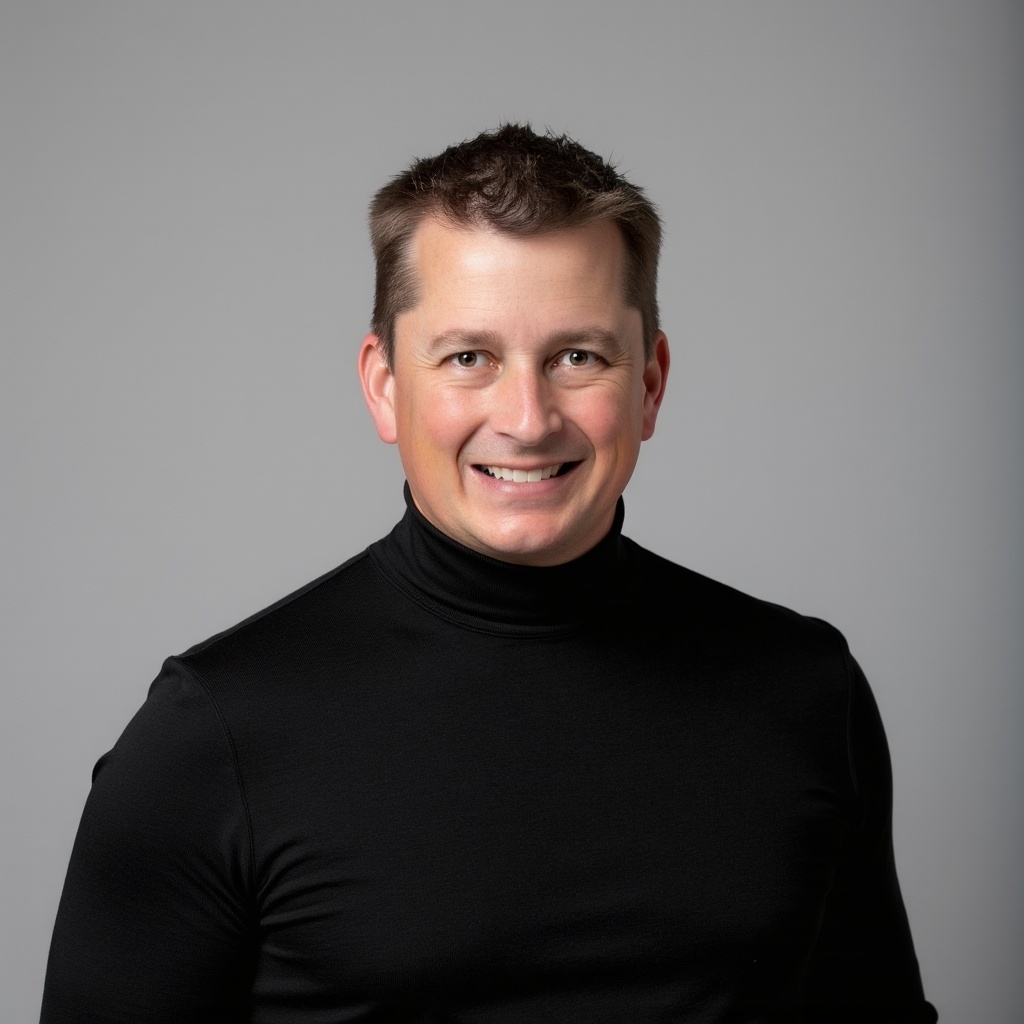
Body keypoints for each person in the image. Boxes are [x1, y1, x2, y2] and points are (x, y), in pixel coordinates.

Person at [40, 124, 937, 1022]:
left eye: (577, 357)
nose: (527, 416)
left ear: (651, 384)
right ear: (385, 385)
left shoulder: (804, 690)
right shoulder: (218, 733)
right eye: (470, 357)